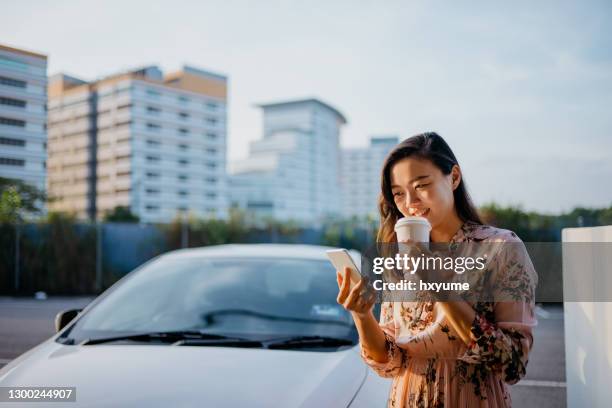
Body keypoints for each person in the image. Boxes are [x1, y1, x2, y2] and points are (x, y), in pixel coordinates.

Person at [336, 132, 538, 407]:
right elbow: (389, 362)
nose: (410, 203)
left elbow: (513, 364)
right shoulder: (397, 257)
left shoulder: (500, 248)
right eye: (398, 193)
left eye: (421, 185)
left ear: (453, 177)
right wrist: (361, 315)